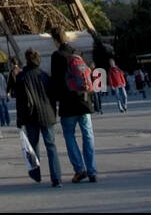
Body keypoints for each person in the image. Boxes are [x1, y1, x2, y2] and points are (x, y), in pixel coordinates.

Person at [50, 30, 97, 184]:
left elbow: (56, 82)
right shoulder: (78, 53)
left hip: (67, 103)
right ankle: (92, 171)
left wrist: (54, 101)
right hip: (84, 101)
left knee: (70, 136)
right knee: (88, 135)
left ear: (55, 40)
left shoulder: (57, 56)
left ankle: (79, 169)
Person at [14, 49, 62, 187]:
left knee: (33, 146)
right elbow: (53, 96)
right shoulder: (45, 75)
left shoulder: (22, 77)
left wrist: (20, 119)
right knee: (51, 146)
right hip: (47, 114)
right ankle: (56, 177)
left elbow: (20, 102)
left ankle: (36, 175)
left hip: (31, 116)